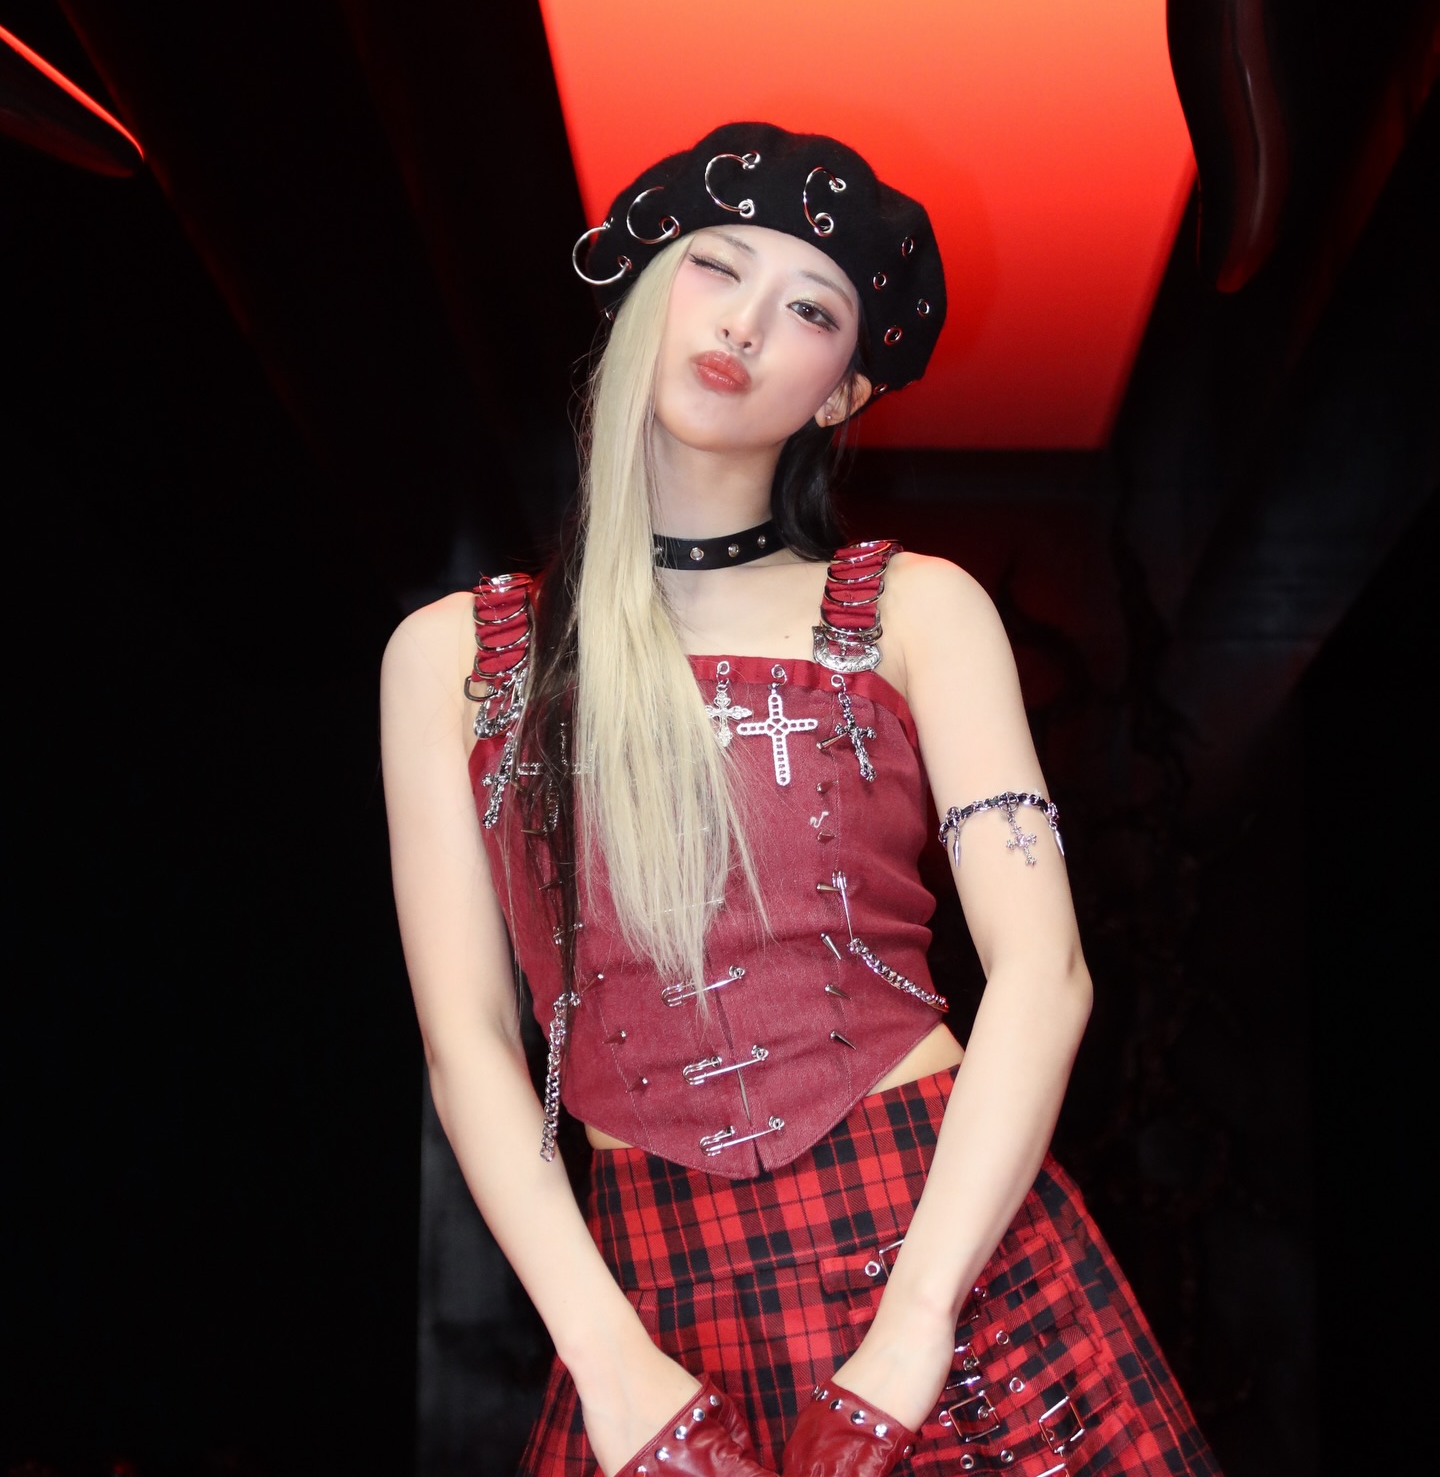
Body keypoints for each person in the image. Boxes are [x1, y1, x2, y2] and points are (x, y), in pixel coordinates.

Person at [381, 122, 1220, 1477]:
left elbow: (1045, 974)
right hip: (647, 1309)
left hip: (949, 1263)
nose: (748, 324)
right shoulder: (453, 660)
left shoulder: (917, 612)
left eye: (812, 309)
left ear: (843, 392)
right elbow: (467, 1041)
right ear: (643, 288)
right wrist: (608, 1366)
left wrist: (912, 1335)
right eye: (717, 265)